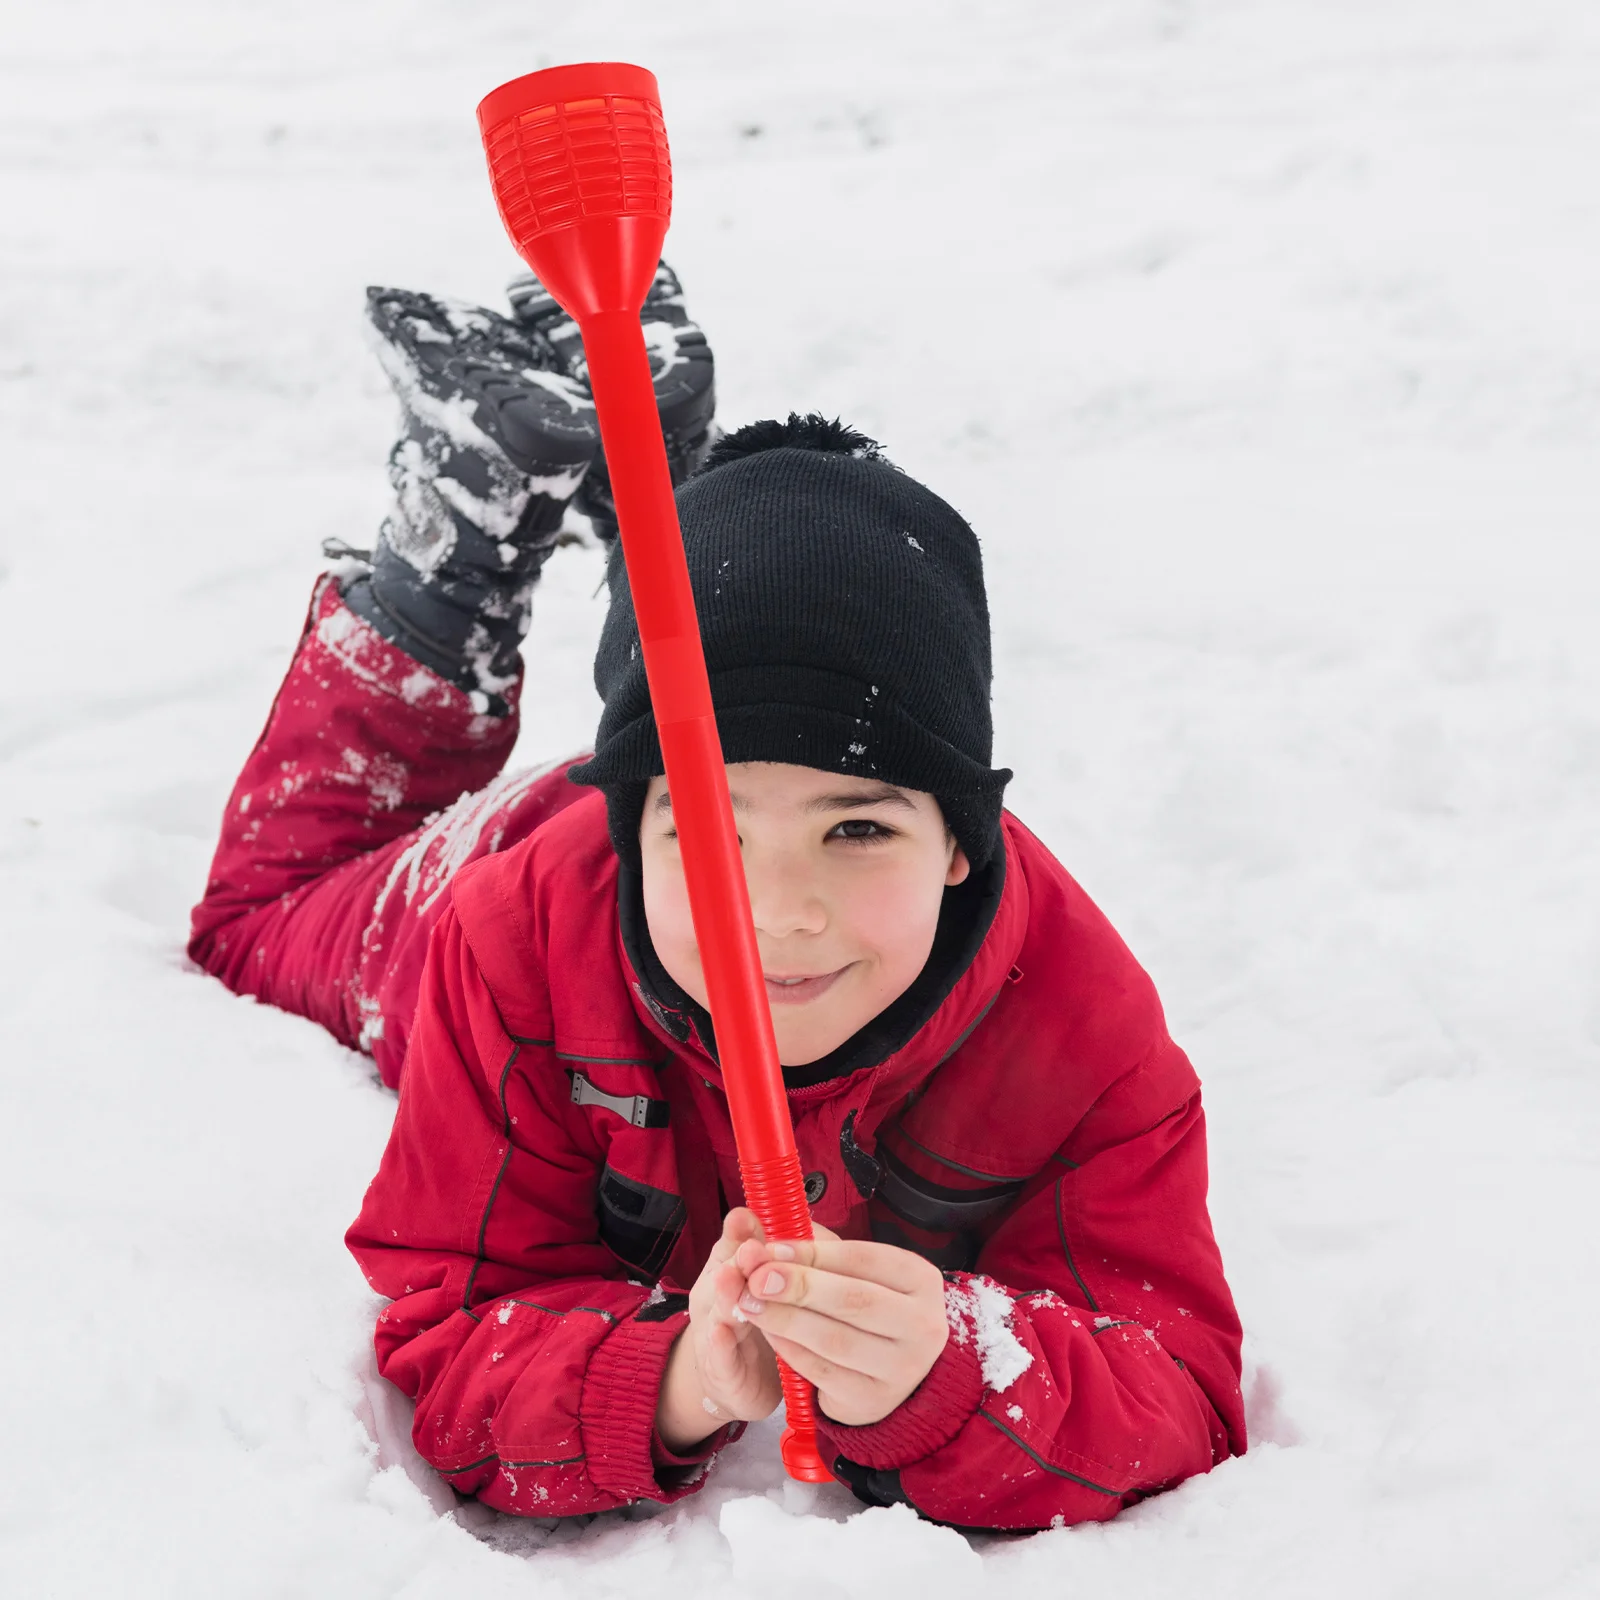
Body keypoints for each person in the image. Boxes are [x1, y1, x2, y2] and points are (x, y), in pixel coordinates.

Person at [189, 265, 1246, 1532]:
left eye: (857, 826)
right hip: (489, 863)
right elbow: (454, 1320)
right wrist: (670, 1382)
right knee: (256, 921)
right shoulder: (510, 934)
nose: (777, 913)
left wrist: (953, 1372)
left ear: (965, 839)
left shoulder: (1081, 1036)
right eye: (709, 831)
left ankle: (681, 516)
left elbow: (1175, 1379)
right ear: (632, 831)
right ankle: (455, 551)